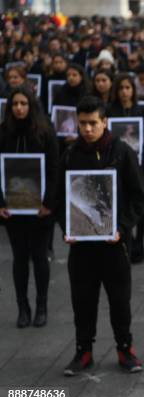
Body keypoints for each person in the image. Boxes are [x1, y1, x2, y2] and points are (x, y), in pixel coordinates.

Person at [56, 96, 144, 375]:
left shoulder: (121, 152)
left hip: (114, 244)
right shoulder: (71, 154)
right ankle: (83, 351)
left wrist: (121, 227)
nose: (87, 129)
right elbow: (59, 198)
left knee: (119, 300)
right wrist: (66, 228)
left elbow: (139, 198)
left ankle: (125, 348)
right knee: (82, 300)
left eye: (93, 123)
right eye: (82, 123)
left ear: (104, 122)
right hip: (82, 246)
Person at [0, 86, 58, 328]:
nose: (19, 108)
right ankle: (23, 307)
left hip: (40, 210)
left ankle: (42, 306)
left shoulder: (45, 132)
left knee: (40, 256)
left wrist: (48, 203)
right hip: (14, 209)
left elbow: (55, 169)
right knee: (20, 258)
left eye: (23, 103)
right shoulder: (3, 133)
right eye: (15, 104)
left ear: (31, 105)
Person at [108, 73, 144, 263]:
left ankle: (140, 242)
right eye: (121, 88)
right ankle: (129, 240)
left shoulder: (141, 111)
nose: (124, 92)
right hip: (118, 167)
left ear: (133, 90)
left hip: (139, 166)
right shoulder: (110, 111)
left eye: (128, 88)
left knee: (141, 206)